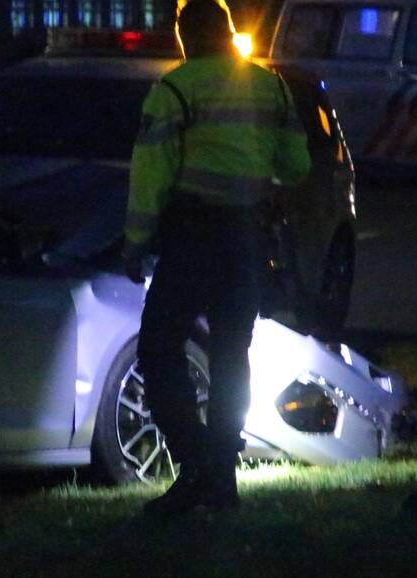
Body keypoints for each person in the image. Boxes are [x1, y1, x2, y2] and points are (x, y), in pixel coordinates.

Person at [123, 0, 311, 517]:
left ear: (185, 38)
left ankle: (198, 460)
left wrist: (135, 241)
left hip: (192, 237)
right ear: (229, 34)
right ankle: (219, 480)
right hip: (247, 240)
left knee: (159, 350)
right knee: (232, 354)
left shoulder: (175, 90)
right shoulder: (270, 87)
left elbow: (150, 177)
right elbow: (296, 166)